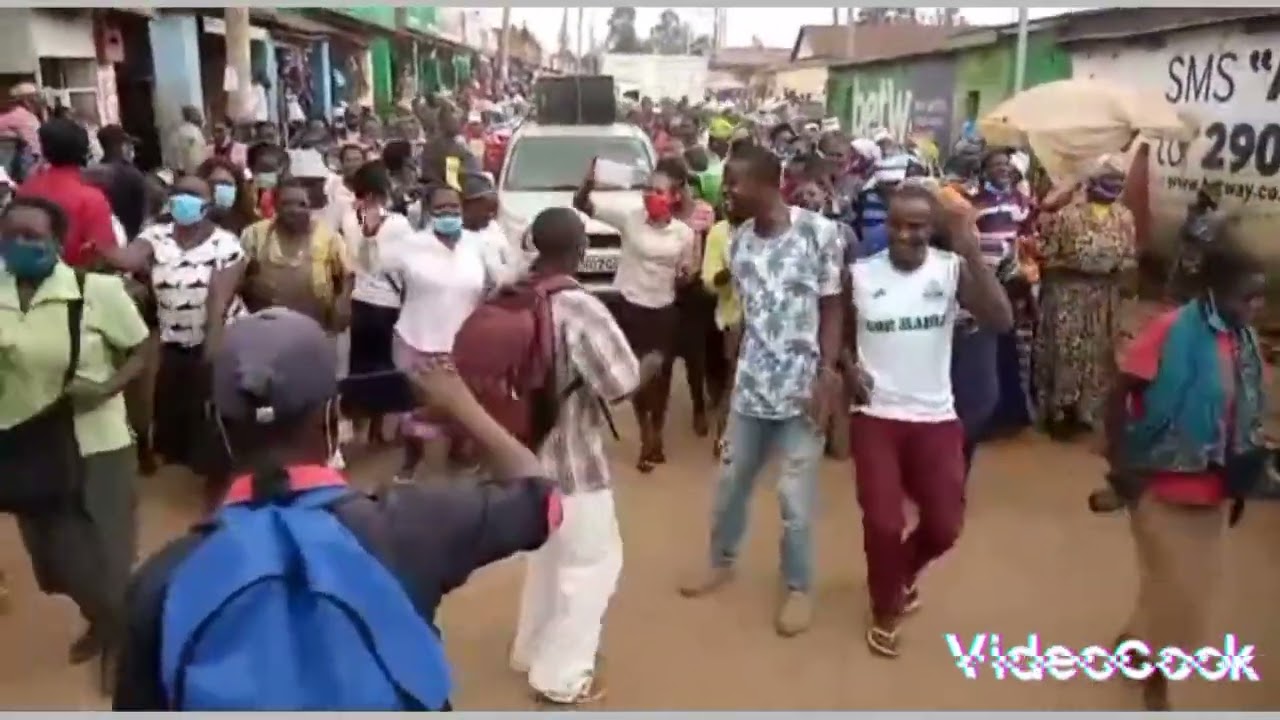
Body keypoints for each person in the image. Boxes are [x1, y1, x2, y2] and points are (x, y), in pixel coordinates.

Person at [113, 308, 561, 710]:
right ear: (332, 418)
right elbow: (544, 501)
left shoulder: (162, 581)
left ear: (218, 426)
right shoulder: (411, 524)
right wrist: (458, 400)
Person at [678, 146, 843, 637]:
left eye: (734, 183)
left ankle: (798, 586)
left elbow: (833, 307)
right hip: (752, 387)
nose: (726, 191)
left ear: (769, 183)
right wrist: (728, 388)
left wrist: (827, 374)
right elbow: (745, 319)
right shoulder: (740, 242)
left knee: (794, 498)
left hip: (802, 390)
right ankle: (721, 560)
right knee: (730, 484)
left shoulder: (819, 233)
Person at [844, 183, 1013, 657]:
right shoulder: (859, 273)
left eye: (916, 226)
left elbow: (1000, 320)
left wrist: (969, 249)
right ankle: (885, 606)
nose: (903, 235)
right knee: (882, 522)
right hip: (876, 416)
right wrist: (845, 364)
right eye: (895, 224)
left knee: (944, 526)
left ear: (932, 229)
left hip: (935, 417)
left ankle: (900, 574)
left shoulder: (952, 270)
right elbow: (839, 330)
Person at [1103, 236, 1267, 711]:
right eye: (1245, 296)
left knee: (1179, 584)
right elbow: (1120, 395)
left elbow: (1243, 411)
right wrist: (1121, 469)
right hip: (1156, 483)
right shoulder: (1170, 330)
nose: (1254, 307)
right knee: (1181, 590)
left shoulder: (1244, 340)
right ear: (1214, 288)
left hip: (1214, 488)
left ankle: (1135, 640)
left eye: (1259, 297)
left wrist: (1241, 481)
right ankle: (1163, 682)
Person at [509, 207, 659, 705]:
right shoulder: (580, 308)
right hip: (573, 464)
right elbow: (620, 384)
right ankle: (562, 675)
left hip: (519, 463)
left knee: (546, 561)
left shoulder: (508, 297)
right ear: (580, 252)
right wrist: (652, 364)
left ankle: (531, 650)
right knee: (591, 567)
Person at [0, 195, 149, 685]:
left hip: (97, 443)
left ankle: (122, 643)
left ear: (57, 241)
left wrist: (107, 387)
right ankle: (103, 620)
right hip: (25, 446)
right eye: (11, 235)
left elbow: (143, 347)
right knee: (53, 564)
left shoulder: (96, 291)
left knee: (105, 556)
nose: (20, 245)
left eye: (33, 236)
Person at [573, 156, 696, 473]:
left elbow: (689, 271)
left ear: (675, 197)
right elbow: (582, 205)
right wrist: (589, 181)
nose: (650, 196)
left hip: (663, 310)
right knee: (636, 374)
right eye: (648, 189)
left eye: (659, 191)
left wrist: (685, 275)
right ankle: (647, 436)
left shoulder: (684, 233)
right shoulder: (629, 219)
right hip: (630, 306)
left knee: (661, 380)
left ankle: (656, 428)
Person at [134, 173, 245, 482]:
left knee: (214, 405)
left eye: (194, 195)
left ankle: (219, 476)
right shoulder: (156, 236)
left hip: (216, 336)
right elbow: (133, 262)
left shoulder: (226, 242)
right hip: (174, 338)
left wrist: (212, 350)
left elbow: (218, 303)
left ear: (208, 204)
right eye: (179, 193)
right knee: (176, 407)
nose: (185, 201)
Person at [385, 184, 488, 482]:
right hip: (415, 339)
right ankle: (411, 460)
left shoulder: (478, 245)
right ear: (429, 212)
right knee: (416, 409)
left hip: (463, 344)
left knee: (461, 406)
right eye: (441, 208)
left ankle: (459, 453)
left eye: (454, 208)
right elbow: (380, 271)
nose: (449, 213)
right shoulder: (410, 246)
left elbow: (497, 281)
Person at [1034, 155, 1137, 441]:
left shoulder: (1125, 217)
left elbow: (1129, 256)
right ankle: (1060, 410)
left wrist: (1121, 273)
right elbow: (1047, 256)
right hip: (1069, 295)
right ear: (1090, 184)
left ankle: (1087, 412)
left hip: (1104, 297)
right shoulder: (1068, 216)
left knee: (1098, 355)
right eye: (1106, 182)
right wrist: (1078, 264)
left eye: (1118, 184)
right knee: (1067, 352)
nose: (1112, 189)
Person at [337, 160, 413, 431]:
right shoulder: (400, 224)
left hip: (359, 300)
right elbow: (405, 266)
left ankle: (358, 415)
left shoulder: (348, 219)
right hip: (389, 303)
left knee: (361, 364)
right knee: (385, 365)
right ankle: (378, 427)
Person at [19, 118, 148, 274]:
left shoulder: (27, 188)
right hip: (76, 284)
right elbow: (107, 254)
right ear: (86, 150)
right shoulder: (90, 198)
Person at [972, 147, 1034, 436]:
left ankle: (1009, 415)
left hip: (1009, 280)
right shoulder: (973, 201)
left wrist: (1021, 267)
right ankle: (984, 413)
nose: (1004, 169)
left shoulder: (1020, 200)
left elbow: (1025, 235)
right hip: (981, 281)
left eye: (1007, 164)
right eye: (996, 164)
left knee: (1007, 345)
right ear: (984, 170)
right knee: (982, 345)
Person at [700, 195, 747, 458]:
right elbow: (709, 281)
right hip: (734, 318)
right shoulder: (719, 233)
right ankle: (723, 437)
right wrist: (730, 271)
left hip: (771, 318)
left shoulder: (769, 229)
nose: (731, 203)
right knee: (734, 379)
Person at [95, 125, 148, 241]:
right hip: (132, 237)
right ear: (120, 147)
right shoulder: (132, 175)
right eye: (128, 145)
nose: (131, 149)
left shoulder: (94, 173)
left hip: (107, 238)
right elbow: (145, 213)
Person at [197, 156, 257, 235]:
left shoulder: (250, 228)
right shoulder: (192, 224)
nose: (219, 189)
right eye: (213, 184)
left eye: (226, 184)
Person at [0, 83, 44, 161]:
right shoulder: (19, 116)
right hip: (28, 160)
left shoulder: (29, 115)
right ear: (26, 99)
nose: (39, 99)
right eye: (36, 96)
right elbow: (33, 145)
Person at [168, 105, 208, 177]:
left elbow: (176, 149)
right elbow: (190, 150)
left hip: (182, 169)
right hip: (194, 168)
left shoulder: (178, 131)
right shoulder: (193, 131)